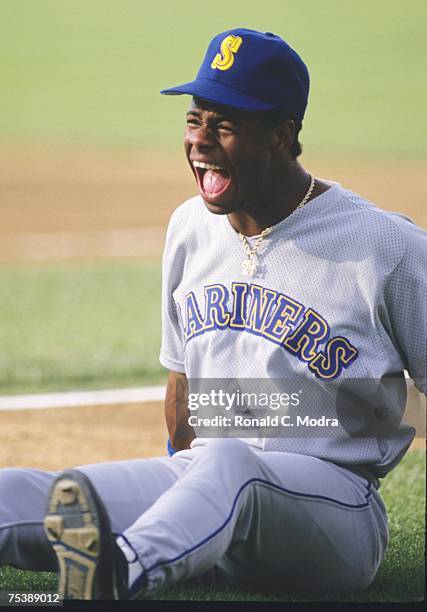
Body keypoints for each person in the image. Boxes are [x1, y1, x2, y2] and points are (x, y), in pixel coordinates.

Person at [0, 28, 425, 601]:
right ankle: (178, 543)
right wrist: (190, 507)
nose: (201, 141)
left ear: (282, 135)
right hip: (206, 481)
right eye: (195, 120)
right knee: (52, 494)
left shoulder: (383, 245)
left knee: (231, 461)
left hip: (336, 515)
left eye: (225, 125)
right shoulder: (189, 228)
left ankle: (115, 576)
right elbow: (181, 387)